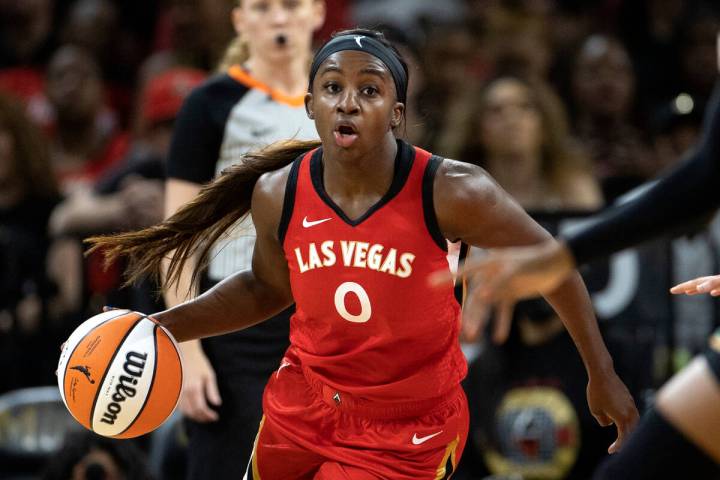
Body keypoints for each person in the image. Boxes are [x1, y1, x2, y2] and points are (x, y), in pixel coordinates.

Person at [87, 29, 636, 479]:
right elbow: (265, 290)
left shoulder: (454, 190)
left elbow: (554, 264)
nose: (348, 102)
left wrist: (602, 371)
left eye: (369, 91)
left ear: (397, 113)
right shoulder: (279, 192)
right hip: (302, 404)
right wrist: (157, 328)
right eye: (332, 88)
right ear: (310, 105)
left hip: (407, 426)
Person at [447, 42, 720, 479]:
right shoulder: (457, 186)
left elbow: (704, 180)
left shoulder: (567, 186)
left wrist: (559, 256)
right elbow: (704, 181)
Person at [161, 1, 325, 479]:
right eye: (262, 7)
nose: (279, 18)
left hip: (325, 319)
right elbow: (178, 238)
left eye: (292, 5)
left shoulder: (344, 102)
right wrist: (186, 350)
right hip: (234, 324)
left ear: (316, 12)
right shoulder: (210, 103)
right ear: (240, 21)